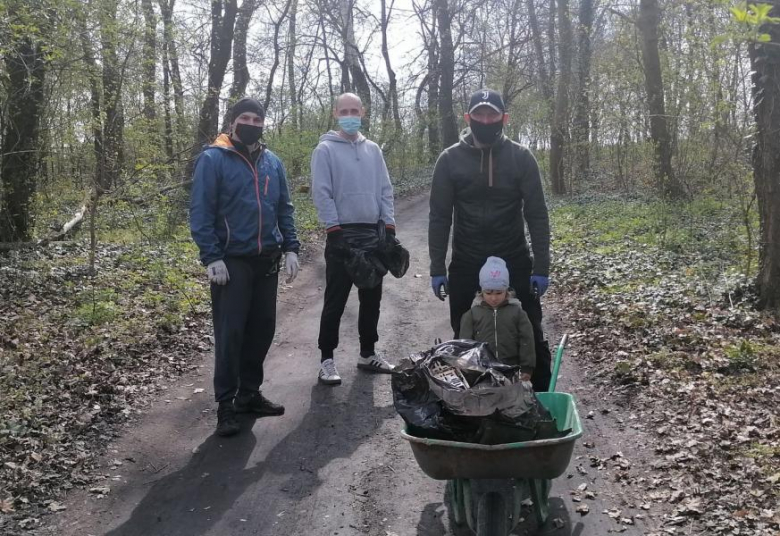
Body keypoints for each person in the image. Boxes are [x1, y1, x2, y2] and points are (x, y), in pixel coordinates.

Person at [428, 88, 552, 392]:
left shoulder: (521, 158)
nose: (486, 120)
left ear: (503, 118)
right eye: (479, 114)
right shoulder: (449, 160)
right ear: (469, 118)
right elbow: (440, 217)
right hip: (467, 258)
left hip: (514, 254)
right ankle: (472, 400)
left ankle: (541, 399)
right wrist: (436, 268)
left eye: (492, 114)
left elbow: (537, 214)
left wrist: (542, 267)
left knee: (530, 330)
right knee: (463, 333)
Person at [190, 97, 300, 437]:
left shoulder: (272, 162)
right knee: (231, 333)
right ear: (233, 122)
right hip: (231, 261)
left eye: (257, 118)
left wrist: (291, 247)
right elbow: (200, 211)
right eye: (245, 117)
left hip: (267, 259)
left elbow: (284, 207)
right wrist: (211, 256)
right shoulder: (213, 159)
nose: (251, 122)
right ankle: (226, 405)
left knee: (261, 330)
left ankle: (249, 395)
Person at [311, 92, 396, 386]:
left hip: (372, 232)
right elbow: (321, 192)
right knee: (335, 299)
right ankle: (326, 359)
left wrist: (389, 226)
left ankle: (367, 353)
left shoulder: (373, 149)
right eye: (344, 110)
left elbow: (385, 189)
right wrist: (333, 230)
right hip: (342, 236)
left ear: (363, 112)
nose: (350, 115)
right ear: (336, 113)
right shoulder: (325, 150)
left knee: (371, 298)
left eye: (354, 110)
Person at [459, 257, 536, 380]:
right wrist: (467, 368)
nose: (494, 298)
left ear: (506, 290)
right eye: (488, 293)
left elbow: (527, 341)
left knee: (512, 397)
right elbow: (465, 344)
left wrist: (527, 368)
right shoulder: (472, 314)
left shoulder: (517, 312)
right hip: (481, 370)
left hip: (512, 369)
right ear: (481, 291)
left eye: (499, 293)